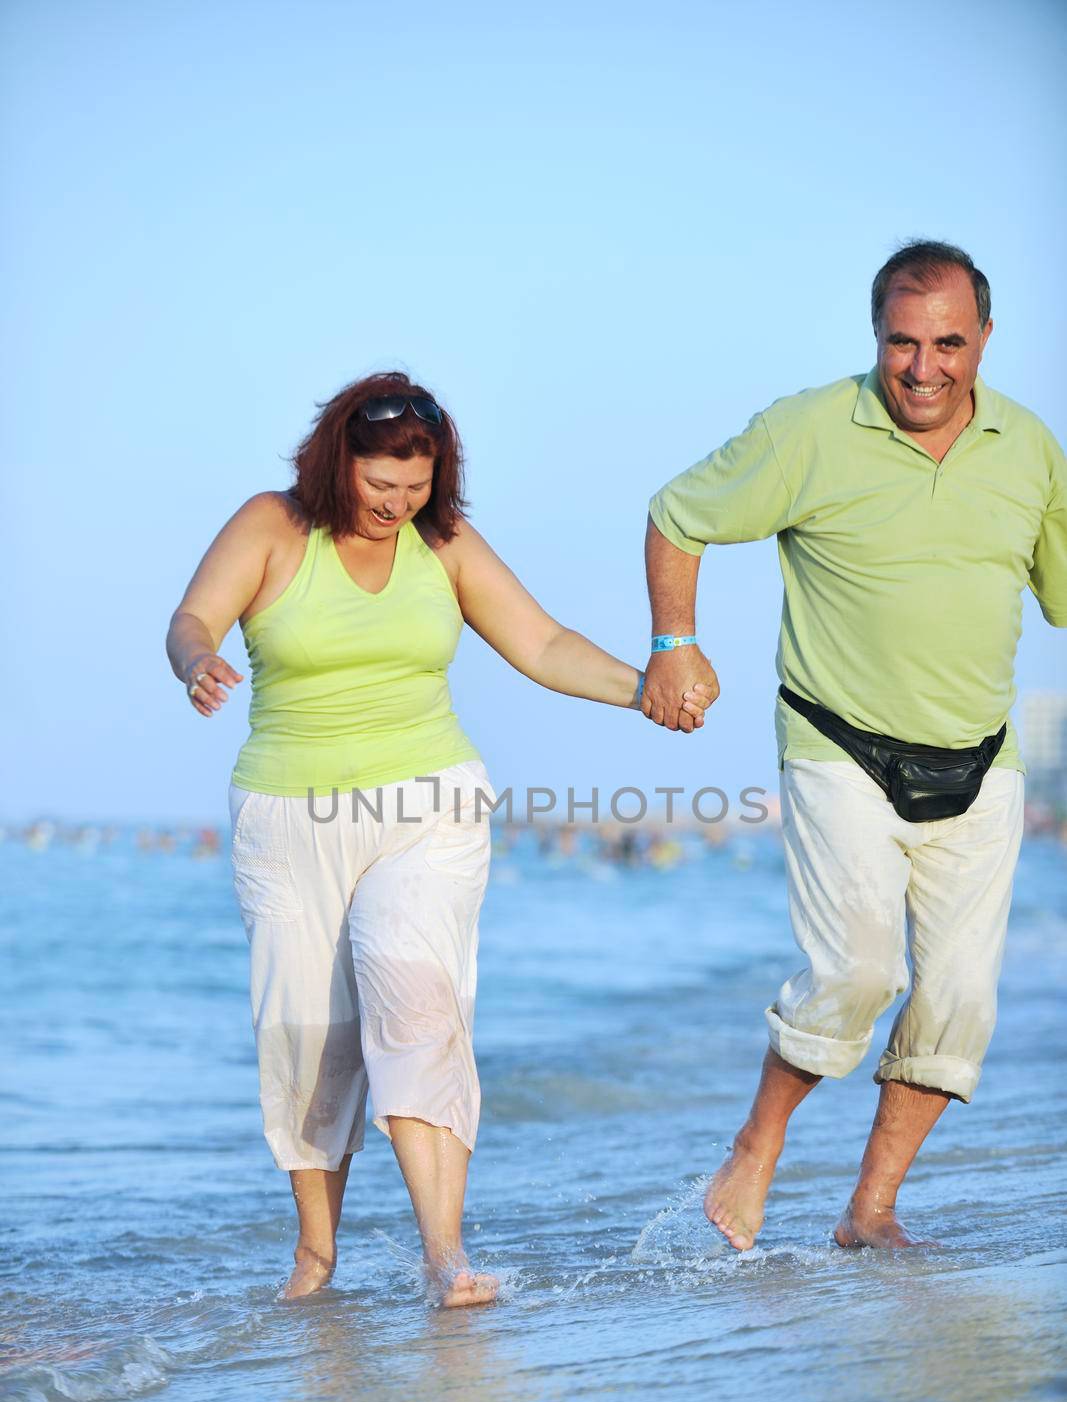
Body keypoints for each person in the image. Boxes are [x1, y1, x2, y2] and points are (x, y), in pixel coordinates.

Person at [167, 373, 711, 1304]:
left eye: (414, 488)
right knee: (306, 1040)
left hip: (430, 804)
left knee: (414, 995)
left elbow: (540, 643)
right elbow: (191, 621)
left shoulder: (443, 542)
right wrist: (198, 663)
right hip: (289, 816)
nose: (396, 505)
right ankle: (314, 1258)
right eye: (382, 485)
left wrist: (644, 687)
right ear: (338, 460)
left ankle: (445, 1254)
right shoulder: (272, 525)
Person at [641, 241, 1066, 1250]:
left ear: (984, 341)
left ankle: (869, 1210)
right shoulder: (810, 429)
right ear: (874, 337)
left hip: (979, 760)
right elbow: (677, 515)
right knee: (855, 971)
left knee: (958, 1002)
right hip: (837, 743)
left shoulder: (1029, 447)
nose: (922, 369)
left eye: (947, 344)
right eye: (900, 343)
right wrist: (673, 644)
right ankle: (756, 1143)